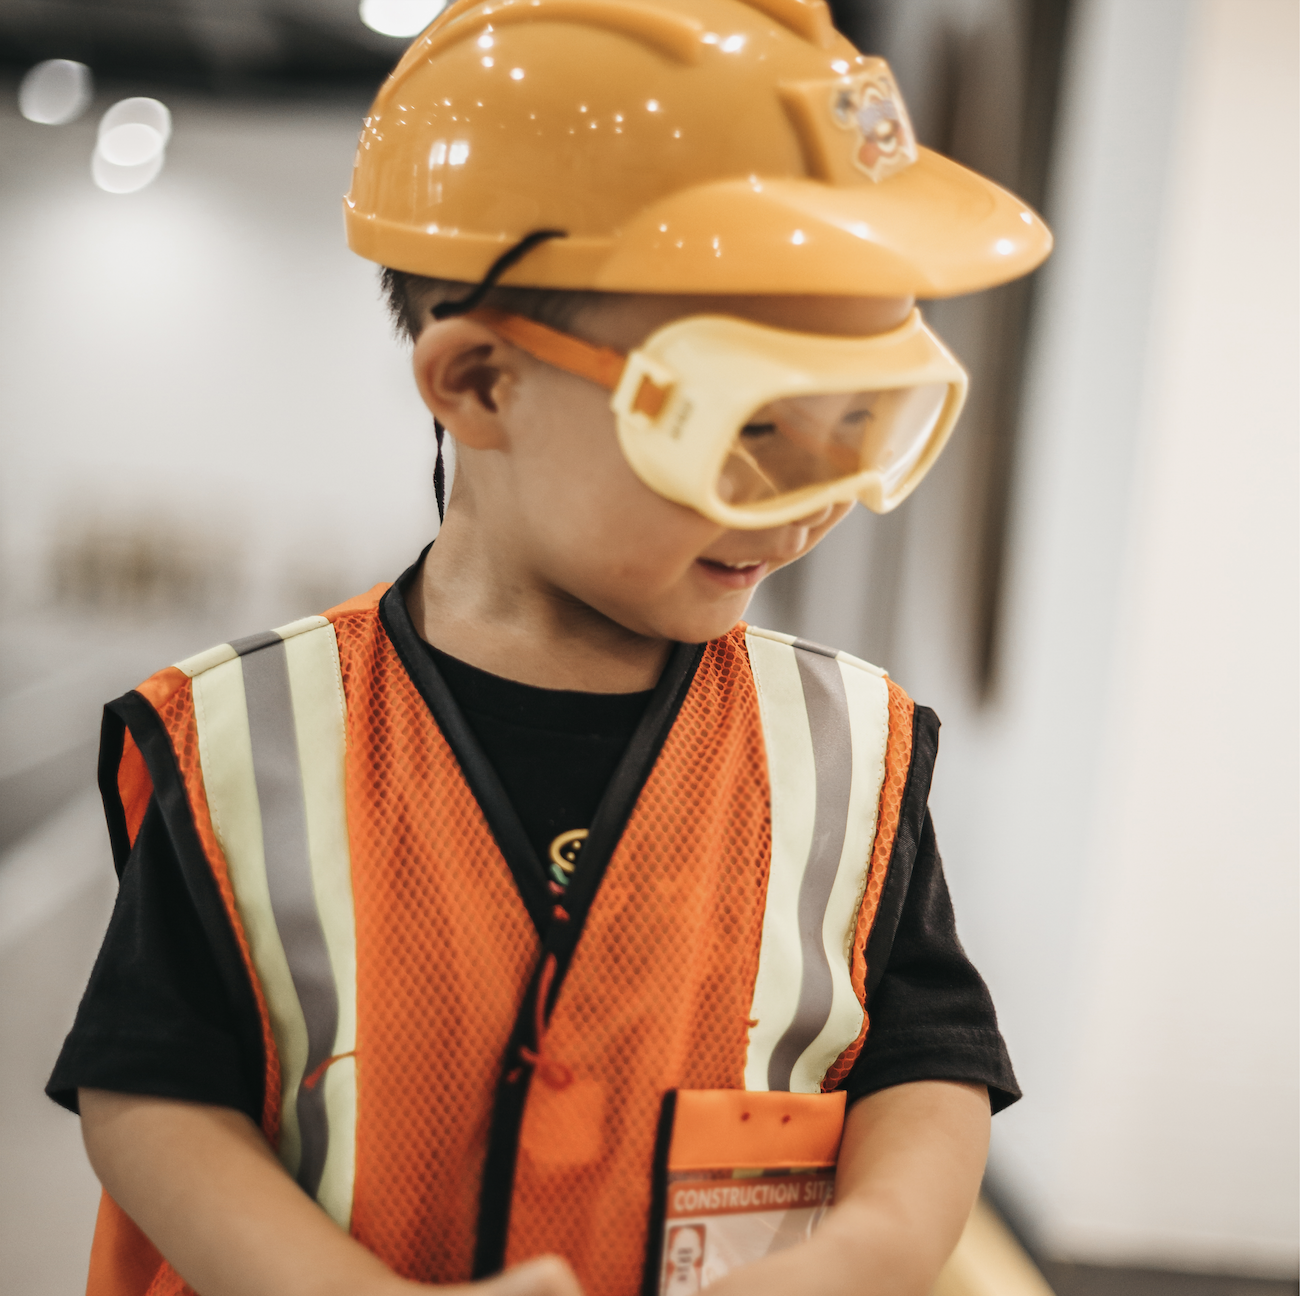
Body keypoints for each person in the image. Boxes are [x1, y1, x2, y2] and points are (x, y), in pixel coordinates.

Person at [47, 2, 1051, 1294]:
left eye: (864, 427)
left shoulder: (849, 755)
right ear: (479, 384)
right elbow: (152, 1095)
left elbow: (930, 1060)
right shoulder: (250, 742)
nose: (809, 507)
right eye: (748, 429)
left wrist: (867, 1251)